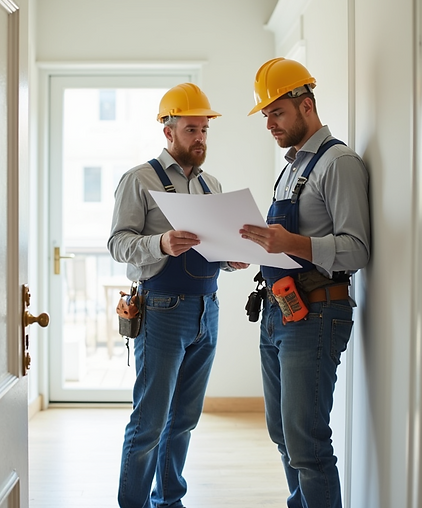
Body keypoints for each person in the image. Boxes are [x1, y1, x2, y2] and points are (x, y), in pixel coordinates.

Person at [109, 82, 248, 508]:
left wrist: (231, 257)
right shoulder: (139, 179)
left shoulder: (211, 184)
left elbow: (212, 246)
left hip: (209, 309)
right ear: (168, 132)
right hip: (162, 310)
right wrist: (161, 243)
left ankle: (169, 502)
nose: (201, 138)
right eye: (192, 129)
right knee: (150, 421)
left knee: (184, 419)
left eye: (205, 130)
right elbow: (118, 243)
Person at [239, 58, 371, 508]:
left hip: (317, 314)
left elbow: (356, 249)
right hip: (280, 310)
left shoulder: (339, 163)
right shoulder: (293, 167)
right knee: (282, 434)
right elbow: (285, 247)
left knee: (306, 445)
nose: (269, 124)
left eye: (276, 112)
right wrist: (255, 250)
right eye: (265, 115)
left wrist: (289, 241)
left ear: (307, 105)